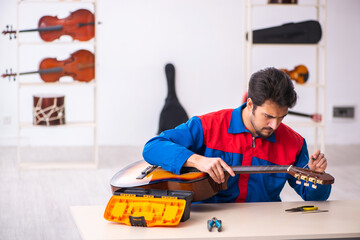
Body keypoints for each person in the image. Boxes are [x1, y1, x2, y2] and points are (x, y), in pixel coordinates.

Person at [143, 67, 331, 203]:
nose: (275, 125)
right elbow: (153, 147)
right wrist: (196, 160)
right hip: (209, 225)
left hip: (264, 227)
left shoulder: (295, 143)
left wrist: (317, 176)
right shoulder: (208, 126)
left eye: (281, 117)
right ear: (250, 104)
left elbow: (313, 196)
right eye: (268, 116)